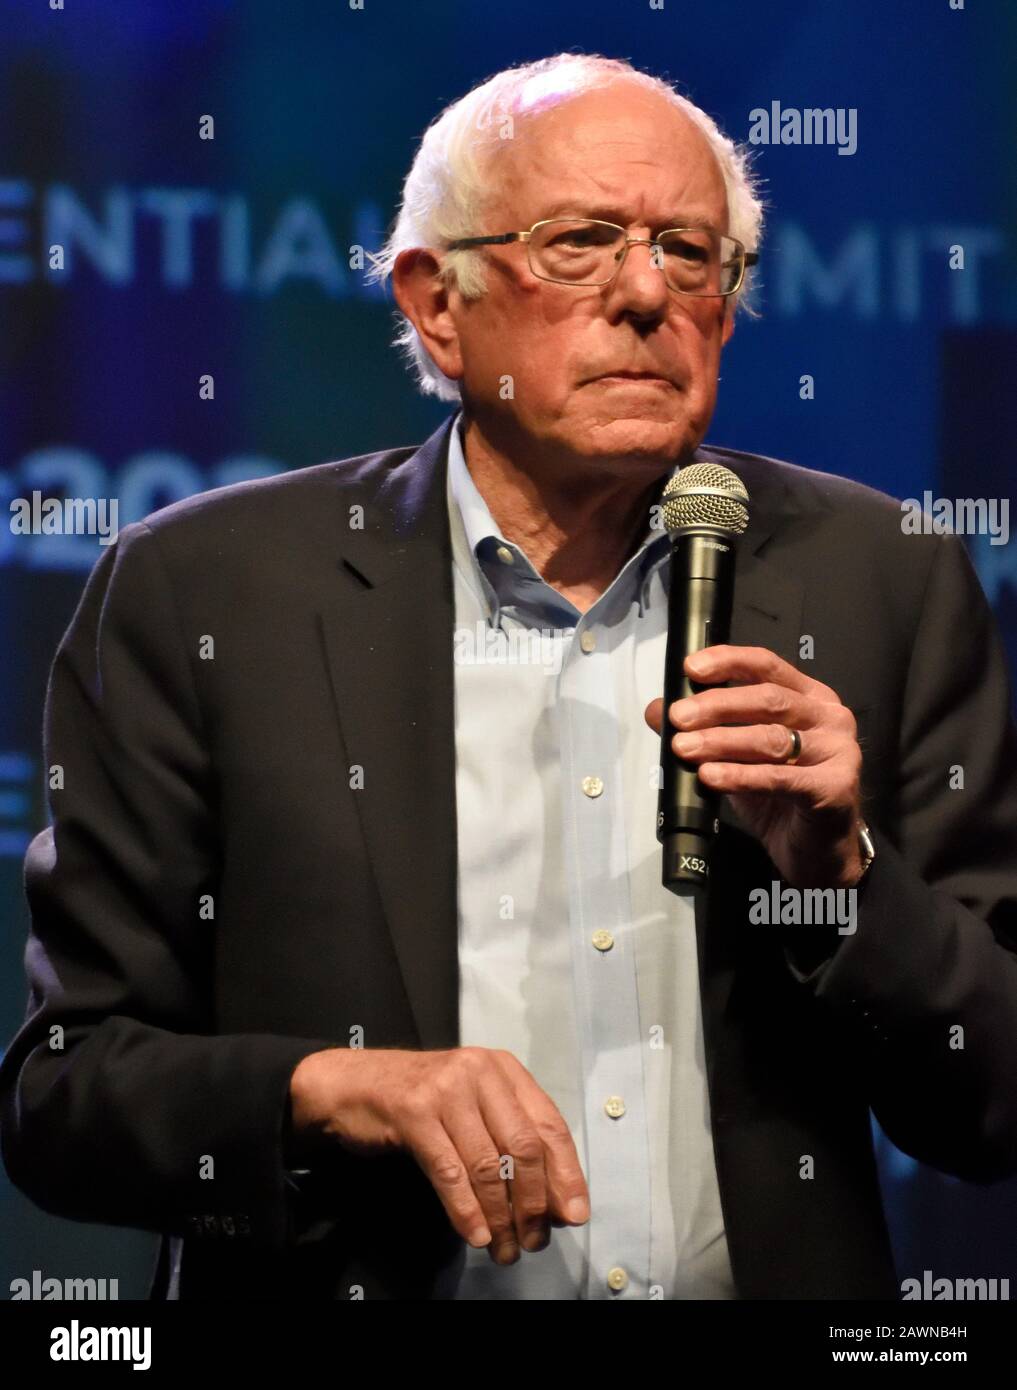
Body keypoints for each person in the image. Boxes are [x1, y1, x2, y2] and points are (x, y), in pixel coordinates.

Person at [2, 53, 1016, 1301]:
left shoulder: (884, 578)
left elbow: (996, 1100)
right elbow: (66, 1094)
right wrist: (331, 1090)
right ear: (438, 302)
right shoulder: (203, 591)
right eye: (584, 242)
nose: (648, 293)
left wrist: (842, 880)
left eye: (693, 254)